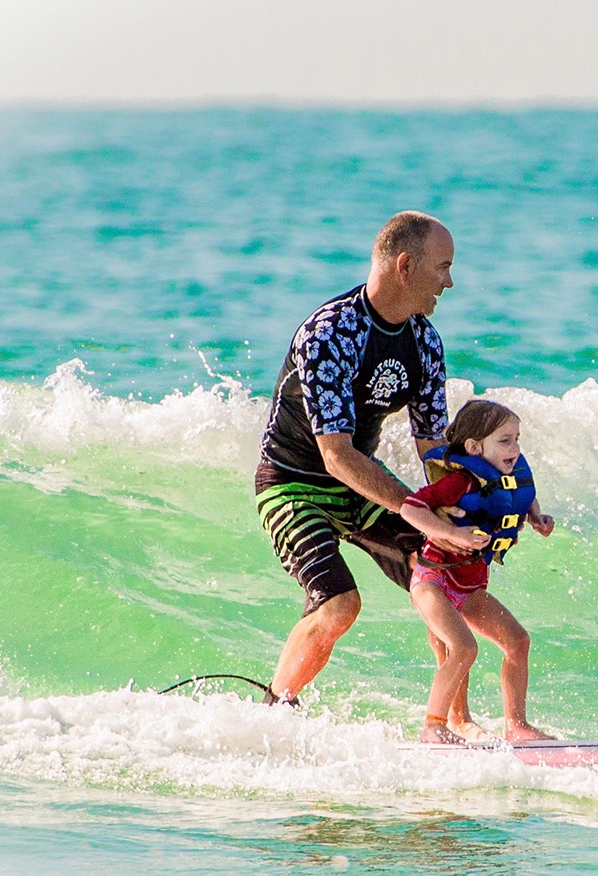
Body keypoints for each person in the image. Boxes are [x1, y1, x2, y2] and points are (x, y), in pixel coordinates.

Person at [255, 211, 484, 737]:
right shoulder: (330, 333)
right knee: (339, 605)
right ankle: (275, 713)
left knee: (440, 573)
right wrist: (419, 513)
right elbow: (334, 454)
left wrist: (463, 503)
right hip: (293, 484)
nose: (449, 283)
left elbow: (431, 443)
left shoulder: (424, 342)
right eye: (443, 268)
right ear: (405, 265)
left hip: (359, 489)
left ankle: (452, 722)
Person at [400, 400, 556, 744]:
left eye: (517, 439)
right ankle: (434, 727)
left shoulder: (510, 478)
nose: (514, 448)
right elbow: (410, 507)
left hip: (469, 586)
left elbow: (521, 500)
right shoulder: (460, 482)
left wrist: (537, 517)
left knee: (518, 641)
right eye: (504, 440)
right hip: (434, 581)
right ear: (474, 447)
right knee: (463, 648)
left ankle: (516, 726)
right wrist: (452, 533)